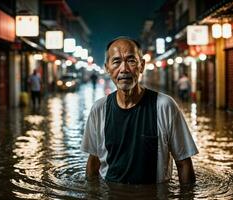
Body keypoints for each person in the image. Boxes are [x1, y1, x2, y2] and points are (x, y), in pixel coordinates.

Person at [81, 37, 198, 185]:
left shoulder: (164, 106)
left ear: (141, 66)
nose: (124, 69)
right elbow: (93, 162)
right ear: (107, 68)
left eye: (131, 61)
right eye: (116, 62)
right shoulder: (99, 109)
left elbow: (183, 163)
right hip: (111, 194)